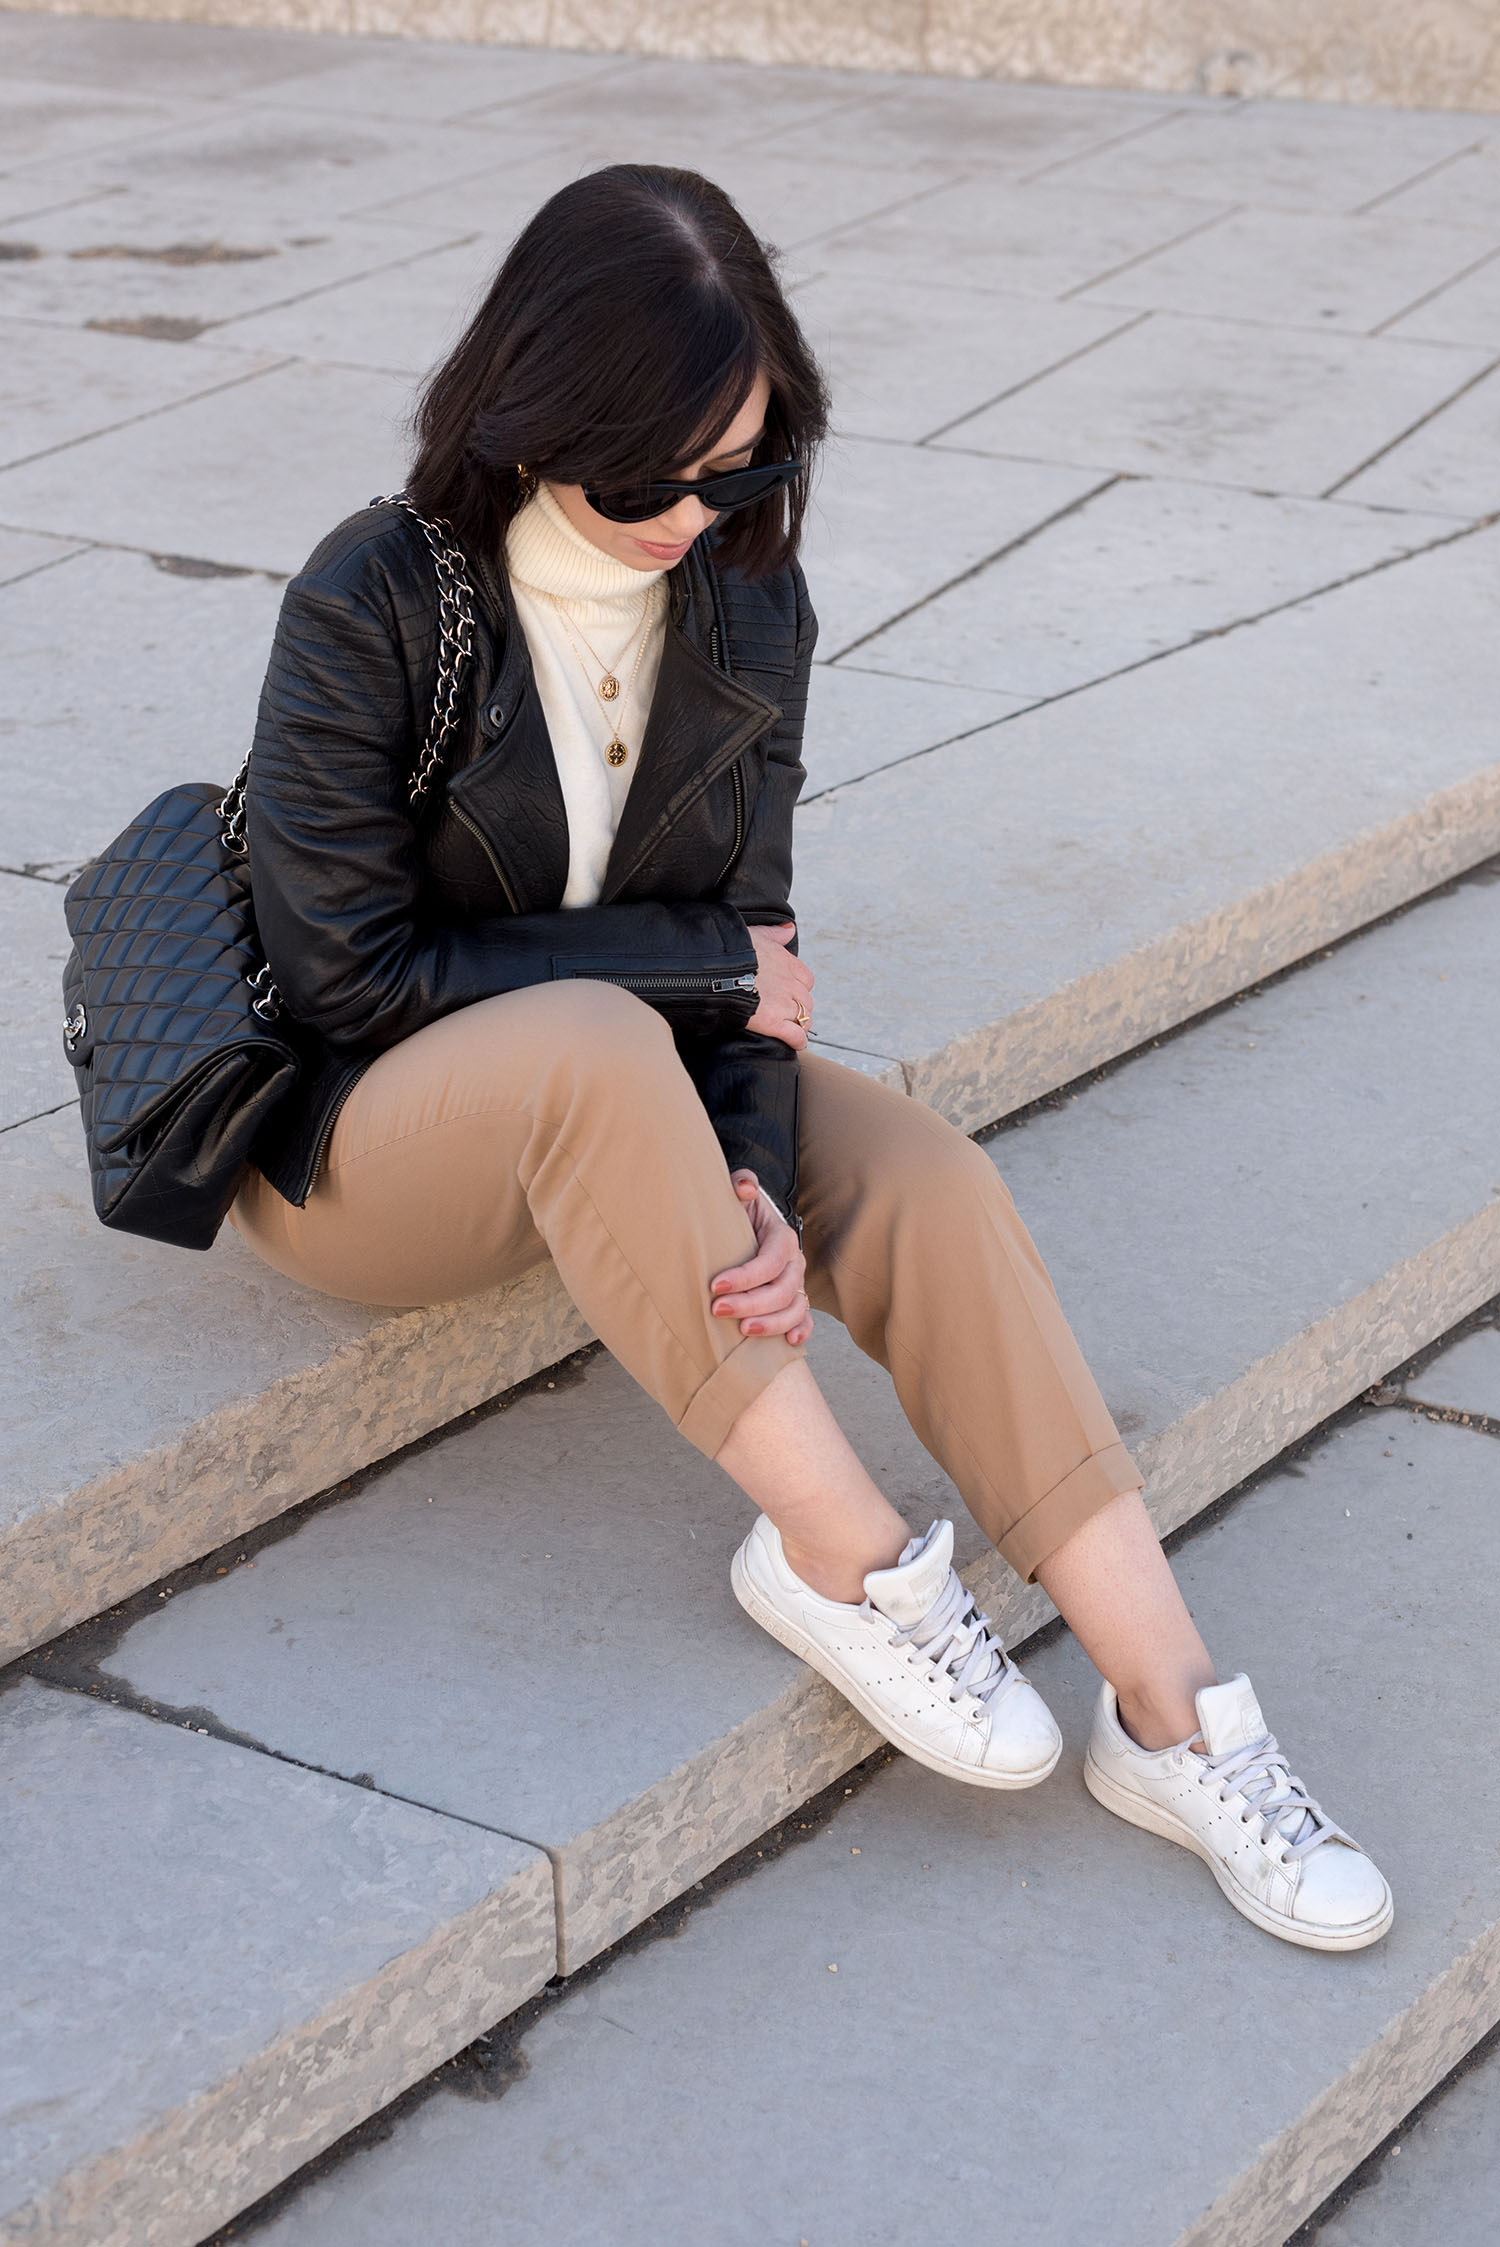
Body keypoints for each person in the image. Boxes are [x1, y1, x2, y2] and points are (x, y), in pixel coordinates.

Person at [232, 163, 1391, 1954]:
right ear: (541, 414)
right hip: (356, 1145)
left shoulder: (751, 604)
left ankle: (1172, 1716)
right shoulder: (380, 596)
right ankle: (840, 1560)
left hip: (618, 1090)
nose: (701, 511)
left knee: (921, 1177)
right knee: (604, 1039)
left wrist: (755, 1180)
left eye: (747, 465)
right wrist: (683, 968)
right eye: (654, 474)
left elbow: (755, 966)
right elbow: (342, 970)